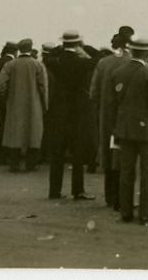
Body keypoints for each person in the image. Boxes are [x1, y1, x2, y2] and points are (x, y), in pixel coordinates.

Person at [108, 36, 148, 225]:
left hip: (125, 129)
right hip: (147, 130)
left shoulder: (118, 72)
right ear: (147, 53)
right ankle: (146, 213)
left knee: (126, 172)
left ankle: (125, 212)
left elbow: (112, 105)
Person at [47, 31, 97, 200]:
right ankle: (78, 190)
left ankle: (54, 190)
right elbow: (96, 59)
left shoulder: (56, 62)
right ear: (77, 44)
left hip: (59, 111)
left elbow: (49, 56)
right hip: (77, 111)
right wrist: (83, 50)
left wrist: (60, 49)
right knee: (78, 152)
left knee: (57, 153)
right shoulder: (83, 62)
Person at [90, 27, 133, 208]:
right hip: (126, 116)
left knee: (108, 155)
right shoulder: (132, 62)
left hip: (106, 116)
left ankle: (110, 196)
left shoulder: (103, 63)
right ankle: (123, 198)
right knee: (125, 156)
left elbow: (93, 92)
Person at [0, 38, 48, 172]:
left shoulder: (10, 65)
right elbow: (43, 87)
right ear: (31, 48)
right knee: (33, 133)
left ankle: (14, 164)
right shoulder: (38, 65)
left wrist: (5, 97)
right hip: (34, 104)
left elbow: (0, 86)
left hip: (14, 104)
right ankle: (31, 164)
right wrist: (44, 104)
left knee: (15, 133)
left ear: (19, 49)